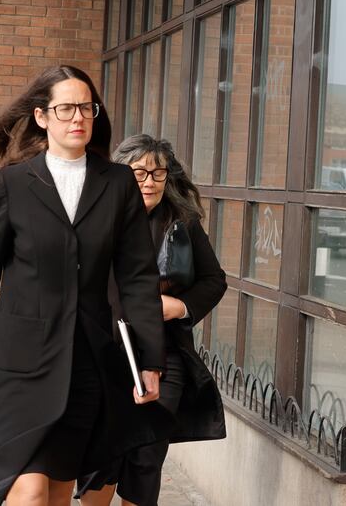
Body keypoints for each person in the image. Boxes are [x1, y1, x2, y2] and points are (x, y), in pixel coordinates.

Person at [0, 65, 172, 506]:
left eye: (86, 107)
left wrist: (149, 359)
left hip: (86, 363)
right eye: (65, 109)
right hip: (20, 364)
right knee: (28, 495)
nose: (77, 117)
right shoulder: (13, 183)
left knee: (58, 495)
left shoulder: (118, 184)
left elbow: (138, 278)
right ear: (42, 116)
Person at [78, 135, 227, 506]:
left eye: (158, 173)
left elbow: (214, 280)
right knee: (102, 458)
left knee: (146, 457)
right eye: (139, 172)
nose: (149, 181)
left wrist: (179, 306)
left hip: (165, 354)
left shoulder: (182, 223)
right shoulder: (94, 219)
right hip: (105, 353)